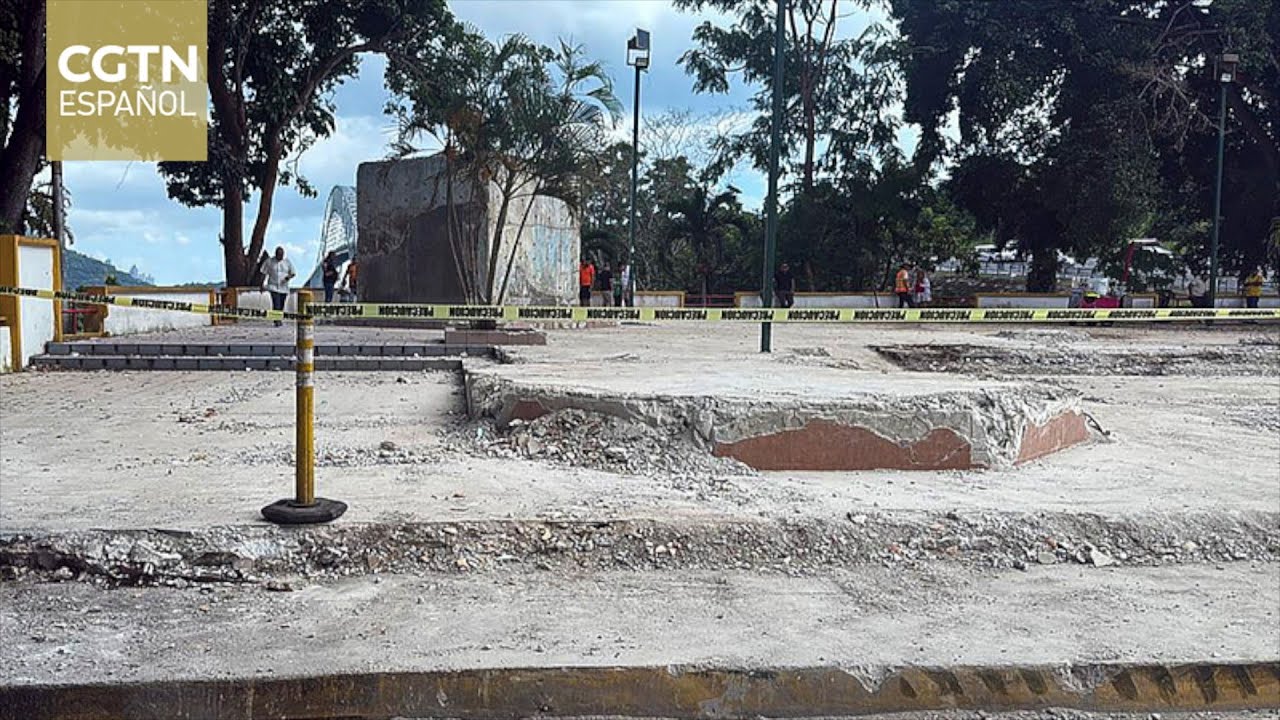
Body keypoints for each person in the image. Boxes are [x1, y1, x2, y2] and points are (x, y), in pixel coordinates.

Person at [261, 246, 295, 327]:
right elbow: (263, 272)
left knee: (281, 304)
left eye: (281, 255)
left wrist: (287, 278)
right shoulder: (269, 261)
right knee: (276, 303)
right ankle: (277, 321)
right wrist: (262, 284)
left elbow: (293, 273)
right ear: (275, 254)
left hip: (284, 287)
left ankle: (278, 318)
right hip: (273, 286)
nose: (280, 256)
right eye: (278, 255)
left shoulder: (287, 262)